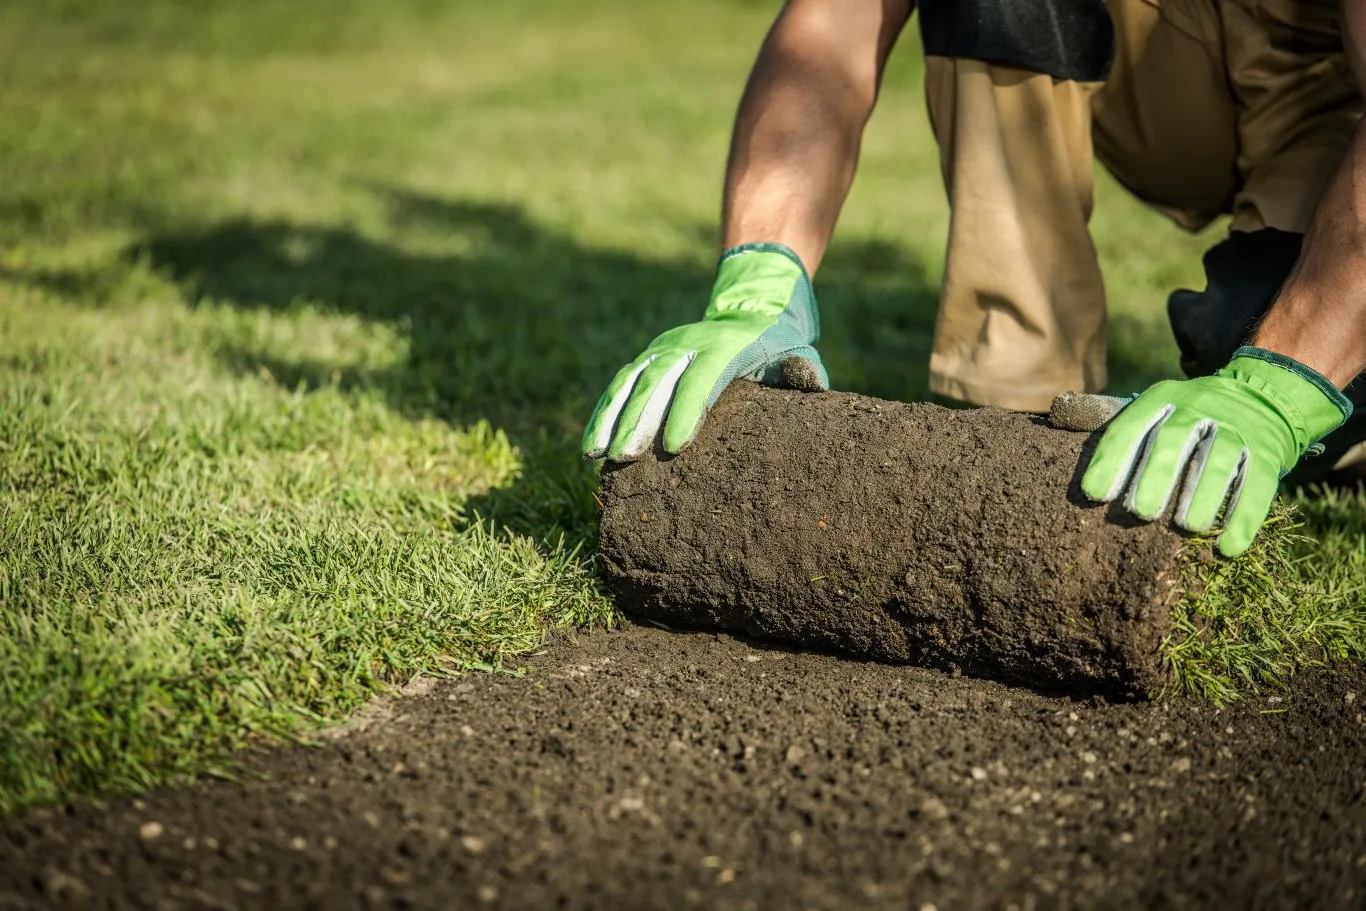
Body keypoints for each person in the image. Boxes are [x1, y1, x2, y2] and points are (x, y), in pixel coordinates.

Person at [582, 0, 1366, 558]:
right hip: (1173, 57)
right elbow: (831, 26)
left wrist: (1280, 381)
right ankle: (1017, 422)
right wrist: (757, 277)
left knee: (1280, 359)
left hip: (1336, 95)